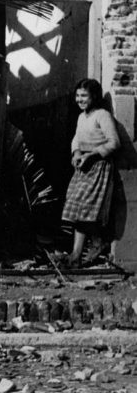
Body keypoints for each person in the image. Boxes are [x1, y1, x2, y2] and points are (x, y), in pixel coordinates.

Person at [61, 78, 120, 267]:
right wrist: (77, 153)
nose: (80, 100)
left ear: (94, 96)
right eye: (77, 96)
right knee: (77, 207)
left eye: (84, 96)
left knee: (86, 209)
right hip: (83, 166)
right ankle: (76, 255)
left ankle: (94, 244)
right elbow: (76, 139)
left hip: (98, 166)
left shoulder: (102, 115)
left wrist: (93, 155)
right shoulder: (81, 117)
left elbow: (114, 142)